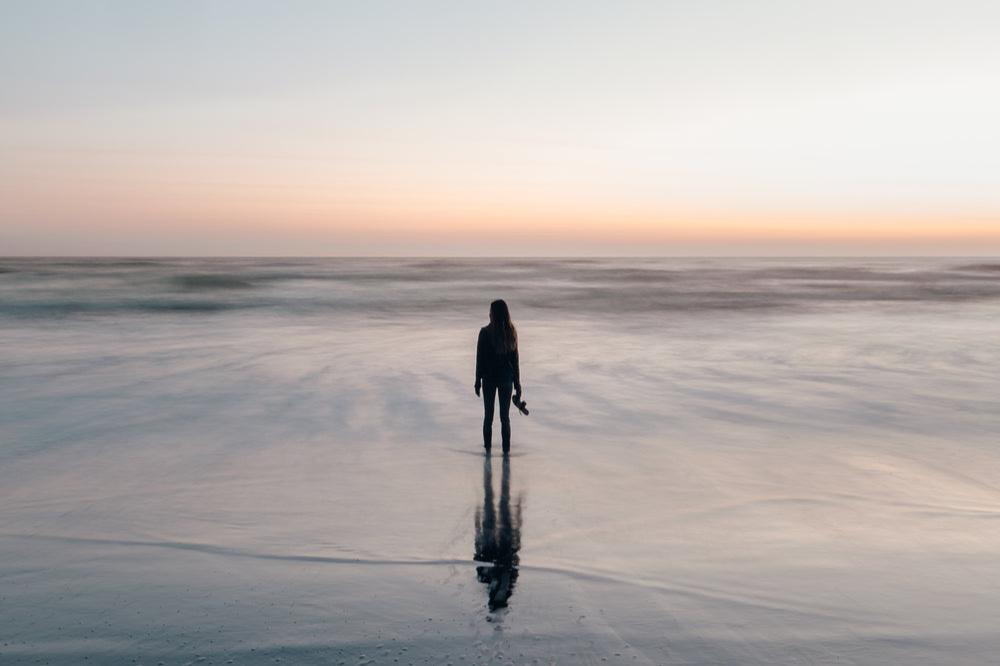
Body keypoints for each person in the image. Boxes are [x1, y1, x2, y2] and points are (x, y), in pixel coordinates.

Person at [475, 299, 522, 453]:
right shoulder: (511, 332)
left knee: (488, 417)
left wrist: (477, 381)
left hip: (489, 379)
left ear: (493, 314)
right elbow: (515, 360)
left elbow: (479, 359)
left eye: (490, 311)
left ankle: (487, 452)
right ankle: (506, 453)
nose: (488, 314)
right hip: (506, 379)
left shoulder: (485, 333)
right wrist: (517, 383)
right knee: (505, 418)